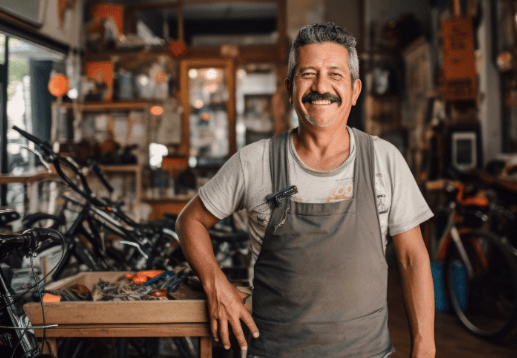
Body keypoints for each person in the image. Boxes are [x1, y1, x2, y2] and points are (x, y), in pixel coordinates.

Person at [175, 23, 436, 358]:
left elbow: (413, 259)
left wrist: (424, 348)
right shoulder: (256, 161)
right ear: (289, 87)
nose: (321, 86)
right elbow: (189, 221)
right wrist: (216, 286)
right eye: (308, 74)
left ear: (355, 90)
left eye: (335, 74)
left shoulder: (384, 160)